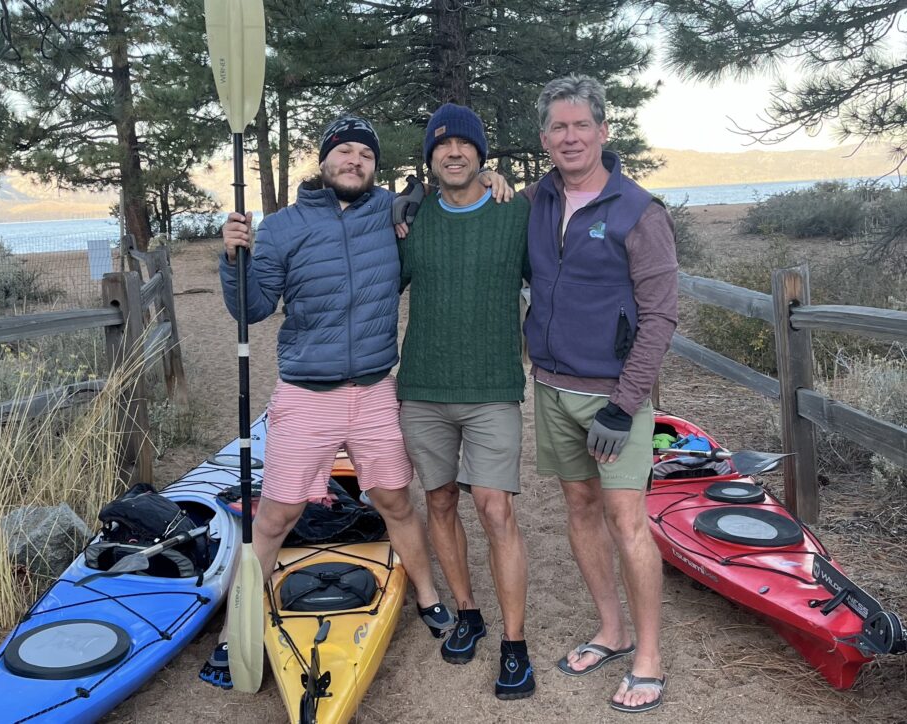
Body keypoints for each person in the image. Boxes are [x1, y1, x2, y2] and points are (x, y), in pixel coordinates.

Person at [201, 115, 508, 689]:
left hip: (374, 390)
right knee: (276, 515)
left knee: (394, 497)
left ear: (374, 166)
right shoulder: (285, 227)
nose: (353, 161)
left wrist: (491, 176)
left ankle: (427, 595)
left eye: (364, 154)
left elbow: (448, 195)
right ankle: (233, 634)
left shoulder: (395, 214)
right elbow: (252, 308)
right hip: (305, 393)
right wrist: (233, 259)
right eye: (342, 152)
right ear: (323, 163)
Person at [522, 75, 678, 713]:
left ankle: (649, 656)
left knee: (626, 520)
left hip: (614, 398)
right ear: (544, 139)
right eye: (557, 128)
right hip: (552, 389)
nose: (569, 137)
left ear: (603, 131)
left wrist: (623, 404)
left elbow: (661, 315)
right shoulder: (535, 201)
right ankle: (611, 631)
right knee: (580, 510)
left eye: (580, 125)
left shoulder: (638, 211)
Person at [397, 103, 534, 700]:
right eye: (441, 145)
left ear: (482, 155)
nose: (453, 152)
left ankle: (514, 644)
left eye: (465, 144)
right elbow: (368, 272)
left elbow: (561, 274)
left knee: (495, 509)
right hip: (423, 388)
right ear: (429, 158)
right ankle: (467, 612)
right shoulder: (411, 218)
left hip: (492, 388)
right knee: (440, 500)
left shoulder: (516, 214)